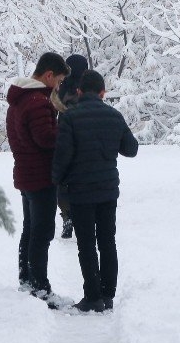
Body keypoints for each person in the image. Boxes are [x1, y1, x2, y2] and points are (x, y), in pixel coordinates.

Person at [52, 69, 139, 313]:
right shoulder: (114, 116)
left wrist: (56, 180)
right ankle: (108, 294)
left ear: (79, 91)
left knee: (87, 244)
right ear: (103, 92)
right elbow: (131, 149)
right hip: (108, 190)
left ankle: (92, 296)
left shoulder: (70, 118)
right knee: (107, 241)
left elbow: (63, 156)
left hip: (80, 191)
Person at [6, 52, 70, 305]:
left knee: (30, 229)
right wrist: (64, 133)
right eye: (60, 80)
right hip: (40, 175)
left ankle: (26, 279)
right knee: (41, 232)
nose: (59, 86)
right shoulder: (37, 101)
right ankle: (40, 287)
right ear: (49, 75)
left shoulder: (19, 99)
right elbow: (46, 139)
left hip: (25, 172)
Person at [52, 54, 89, 239]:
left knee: (63, 178)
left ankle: (67, 215)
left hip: (64, 136)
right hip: (84, 138)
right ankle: (83, 214)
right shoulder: (87, 88)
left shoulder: (61, 89)